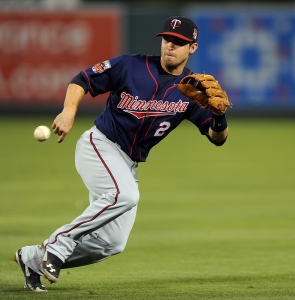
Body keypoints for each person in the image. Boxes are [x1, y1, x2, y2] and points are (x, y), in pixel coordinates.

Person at [14, 16, 229, 292]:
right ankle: (58, 244)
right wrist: (68, 112)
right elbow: (83, 79)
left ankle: (31, 258)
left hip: (128, 164)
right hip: (99, 145)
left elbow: (217, 138)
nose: (170, 46)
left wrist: (219, 115)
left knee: (111, 244)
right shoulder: (130, 66)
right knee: (125, 195)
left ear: (193, 48)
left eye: (179, 42)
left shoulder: (191, 90)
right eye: (167, 40)